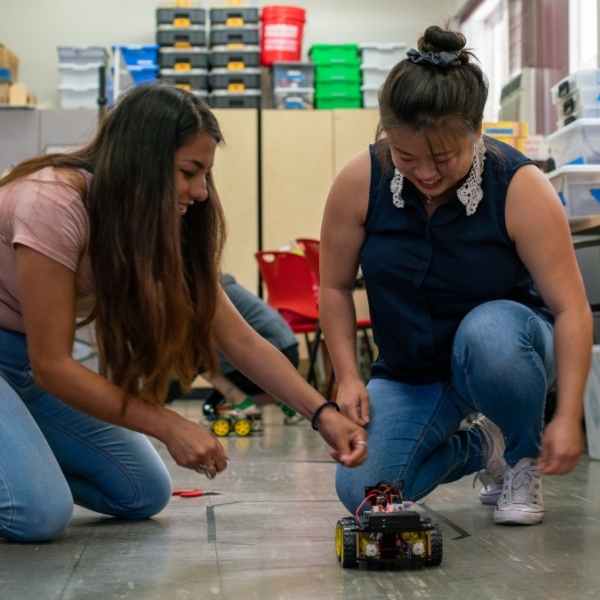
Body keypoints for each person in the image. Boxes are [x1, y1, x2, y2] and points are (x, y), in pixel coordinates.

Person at [0, 83, 367, 543]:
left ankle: (21, 463)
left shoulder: (153, 223)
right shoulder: (53, 202)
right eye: (188, 171)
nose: (199, 191)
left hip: (23, 371)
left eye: (206, 174)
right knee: (36, 516)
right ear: (140, 162)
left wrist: (323, 413)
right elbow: (53, 366)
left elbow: (241, 340)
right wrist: (169, 424)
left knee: (142, 492)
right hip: (30, 365)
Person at [319, 25, 593, 527]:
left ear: (478, 132)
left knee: (489, 332)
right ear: (386, 137)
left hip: (506, 355)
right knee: (362, 491)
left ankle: (520, 458)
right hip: (410, 373)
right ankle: (482, 445)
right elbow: (334, 287)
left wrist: (567, 414)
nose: (425, 172)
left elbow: (571, 309)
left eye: (444, 158)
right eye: (406, 157)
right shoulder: (361, 181)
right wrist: (348, 375)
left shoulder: (519, 186)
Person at [168, 272, 302, 424]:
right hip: (286, 352)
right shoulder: (219, 285)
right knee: (212, 406)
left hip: (270, 357)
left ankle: (241, 401)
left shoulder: (204, 291)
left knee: (197, 355)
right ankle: (280, 397)